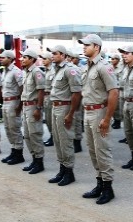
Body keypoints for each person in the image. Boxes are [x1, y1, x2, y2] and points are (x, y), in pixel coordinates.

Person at [78, 34, 119, 204]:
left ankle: (108, 188)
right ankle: (100, 183)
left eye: (87, 45)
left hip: (99, 113)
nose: (83, 47)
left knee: (102, 149)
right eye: (83, 45)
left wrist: (107, 118)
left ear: (97, 47)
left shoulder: (104, 67)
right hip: (88, 112)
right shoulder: (88, 67)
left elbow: (114, 92)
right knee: (93, 150)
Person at [48, 45, 82, 186]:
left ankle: (69, 172)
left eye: (55, 54)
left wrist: (70, 113)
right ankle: (62, 169)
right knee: (57, 140)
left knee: (66, 140)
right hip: (55, 107)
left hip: (64, 108)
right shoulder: (56, 69)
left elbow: (76, 93)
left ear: (62, 55)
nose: (52, 56)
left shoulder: (70, 69)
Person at [20, 49, 46, 174]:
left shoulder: (37, 72)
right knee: (27, 135)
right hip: (26, 107)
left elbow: (41, 91)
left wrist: (38, 108)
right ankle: (34, 159)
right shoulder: (25, 72)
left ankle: (39, 162)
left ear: (32, 59)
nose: (22, 59)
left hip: (33, 107)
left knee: (35, 134)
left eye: (25, 57)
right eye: (22, 57)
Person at [0, 50, 25, 165]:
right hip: (5, 103)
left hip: (13, 102)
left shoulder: (16, 72)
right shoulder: (5, 72)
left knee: (14, 128)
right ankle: (13, 150)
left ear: (10, 58)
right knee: (8, 128)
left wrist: (19, 106)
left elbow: (22, 89)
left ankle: (19, 154)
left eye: (3, 57)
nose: (0, 59)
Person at [69, 52, 84, 153]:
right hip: (69, 98)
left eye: (72, 58)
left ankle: (77, 143)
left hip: (77, 97)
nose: (71, 60)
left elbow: (80, 87)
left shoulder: (79, 70)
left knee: (77, 121)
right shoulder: (68, 69)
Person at [40, 52, 55, 147]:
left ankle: (53, 137)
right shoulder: (45, 71)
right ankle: (51, 135)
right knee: (48, 119)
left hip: (51, 97)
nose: (43, 61)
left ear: (50, 60)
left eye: (45, 59)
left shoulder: (53, 71)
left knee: (51, 119)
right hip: (46, 97)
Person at [109, 53, 124, 130]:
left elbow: (121, 80)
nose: (112, 60)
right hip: (111, 89)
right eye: (111, 59)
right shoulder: (110, 68)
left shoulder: (121, 68)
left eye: (114, 59)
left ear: (118, 60)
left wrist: (117, 87)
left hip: (119, 89)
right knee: (113, 106)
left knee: (118, 106)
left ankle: (118, 121)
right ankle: (115, 120)